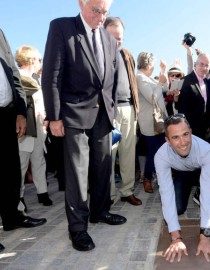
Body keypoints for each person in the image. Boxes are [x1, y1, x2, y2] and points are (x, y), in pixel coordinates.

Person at [41, 0, 126, 252]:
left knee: (102, 166)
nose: (100, 17)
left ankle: (100, 211)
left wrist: (111, 113)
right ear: (81, 3)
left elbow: (111, 79)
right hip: (73, 113)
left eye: (105, 12)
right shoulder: (62, 28)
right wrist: (54, 116)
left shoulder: (110, 41)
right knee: (78, 174)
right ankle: (78, 228)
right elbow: (52, 74)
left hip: (102, 115)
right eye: (95, 10)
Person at [0, 1, 46, 254]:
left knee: (8, 171)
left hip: (5, 114)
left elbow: (12, 72)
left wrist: (21, 112)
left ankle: (13, 218)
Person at [154, 114, 210, 263]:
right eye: (175, 137)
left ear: (191, 131)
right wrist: (175, 237)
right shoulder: (161, 156)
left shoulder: (207, 151)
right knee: (176, 208)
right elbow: (166, 192)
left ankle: (198, 191)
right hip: (183, 174)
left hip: (202, 168)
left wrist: (205, 235)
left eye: (185, 134)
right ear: (167, 141)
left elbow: (209, 194)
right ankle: (191, 189)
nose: (183, 142)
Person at [103, 17, 142, 206]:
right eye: (113, 37)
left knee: (128, 154)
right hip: (109, 112)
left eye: (120, 38)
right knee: (108, 155)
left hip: (129, 109)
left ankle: (127, 191)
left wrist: (136, 109)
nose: (117, 42)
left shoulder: (126, 54)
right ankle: (108, 195)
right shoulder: (98, 54)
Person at [15, 45, 53, 210]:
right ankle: (19, 198)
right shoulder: (16, 77)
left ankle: (42, 193)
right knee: (22, 164)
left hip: (38, 127)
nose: (40, 62)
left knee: (39, 160)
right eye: (39, 59)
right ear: (30, 60)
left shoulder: (37, 79)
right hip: (25, 128)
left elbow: (41, 103)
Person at [136, 52, 168, 193]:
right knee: (153, 152)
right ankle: (147, 178)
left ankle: (153, 177)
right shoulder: (140, 78)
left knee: (159, 150)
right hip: (149, 123)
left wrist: (163, 72)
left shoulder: (148, 79)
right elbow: (152, 97)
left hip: (159, 121)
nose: (154, 67)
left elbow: (165, 89)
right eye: (153, 65)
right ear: (148, 64)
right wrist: (160, 82)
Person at [176, 53, 210, 140]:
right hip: (189, 130)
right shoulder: (184, 81)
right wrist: (185, 128)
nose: (204, 68)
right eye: (201, 64)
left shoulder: (208, 82)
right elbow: (181, 107)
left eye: (207, 65)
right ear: (195, 64)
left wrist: (209, 124)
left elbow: (207, 106)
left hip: (204, 130)